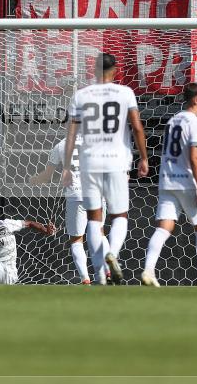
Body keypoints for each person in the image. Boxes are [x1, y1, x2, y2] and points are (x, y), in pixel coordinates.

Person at [61, 53, 149, 285]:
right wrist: (144, 157)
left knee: (94, 219)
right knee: (119, 216)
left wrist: (67, 167)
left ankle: (99, 274)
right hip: (117, 161)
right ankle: (113, 253)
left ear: (94, 69)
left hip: (90, 162)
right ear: (115, 70)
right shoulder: (125, 93)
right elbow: (137, 127)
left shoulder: (81, 95)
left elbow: (71, 134)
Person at [141, 82, 197, 288]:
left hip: (167, 180)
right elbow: (194, 156)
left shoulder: (173, 120)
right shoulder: (196, 123)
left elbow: (178, 156)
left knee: (164, 227)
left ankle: (148, 270)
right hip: (186, 183)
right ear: (196, 99)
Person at [29, 135, 108, 285]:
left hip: (76, 195)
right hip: (97, 193)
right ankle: (106, 270)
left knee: (77, 240)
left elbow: (47, 176)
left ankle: (85, 279)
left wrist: (34, 180)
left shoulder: (60, 145)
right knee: (99, 233)